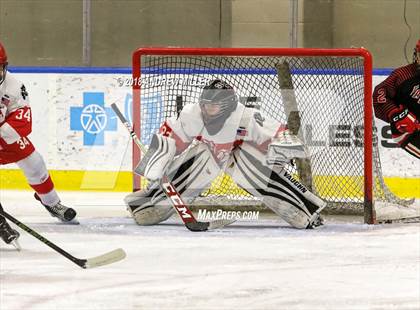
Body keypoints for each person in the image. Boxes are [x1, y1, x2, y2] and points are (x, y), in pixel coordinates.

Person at [124, 79, 326, 229]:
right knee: (203, 156)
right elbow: (167, 141)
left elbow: (279, 135)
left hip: (239, 158)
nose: (206, 109)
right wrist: (157, 162)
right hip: (209, 157)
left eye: (213, 106)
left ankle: (303, 209)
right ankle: (147, 205)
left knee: (247, 164)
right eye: (205, 104)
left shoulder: (246, 118)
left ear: (228, 105)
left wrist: (284, 150)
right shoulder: (191, 116)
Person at [0, 42, 77, 246]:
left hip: (4, 137)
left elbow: (22, 122)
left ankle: (52, 203)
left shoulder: (14, 85)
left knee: (34, 162)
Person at [373, 39, 420, 158]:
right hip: (410, 132)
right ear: (416, 55)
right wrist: (394, 113)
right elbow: (380, 93)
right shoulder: (403, 75)